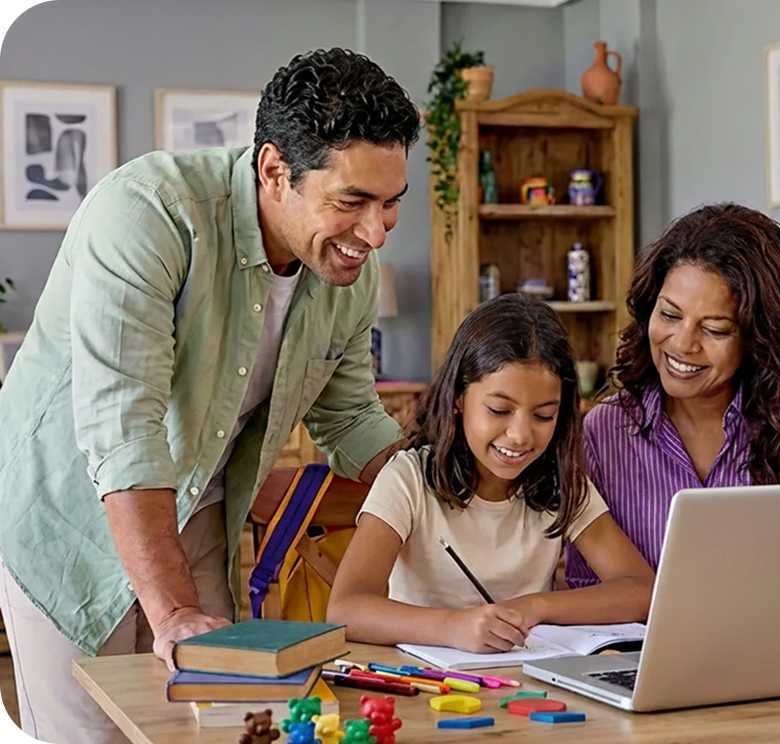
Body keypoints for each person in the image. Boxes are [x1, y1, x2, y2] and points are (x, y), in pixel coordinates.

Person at [0, 48, 420, 744]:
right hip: (68, 517)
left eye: (391, 204)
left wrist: (457, 492)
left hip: (199, 509)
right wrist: (170, 615)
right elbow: (124, 427)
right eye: (352, 203)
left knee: (218, 727)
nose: (374, 234)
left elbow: (351, 420)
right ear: (274, 170)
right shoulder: (148, 214)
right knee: (94, 735)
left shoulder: (348, 271)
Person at [565, 202, 780, 589]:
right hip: (647, 651)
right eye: (669, 315)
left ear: (759, 338)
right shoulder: (605, 430)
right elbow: (586, 587)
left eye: (714, 330)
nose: (682, 344)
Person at [327, 293, 653, 652]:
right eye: (499, 410)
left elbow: (640, 589)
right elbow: (346, 608)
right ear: (458, 399)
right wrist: (453, 627)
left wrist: (534, 607)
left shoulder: (561, 483)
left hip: (527, 688)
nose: (520, 435)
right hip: (425, 687)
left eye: (544, 415)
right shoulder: (409, 478)